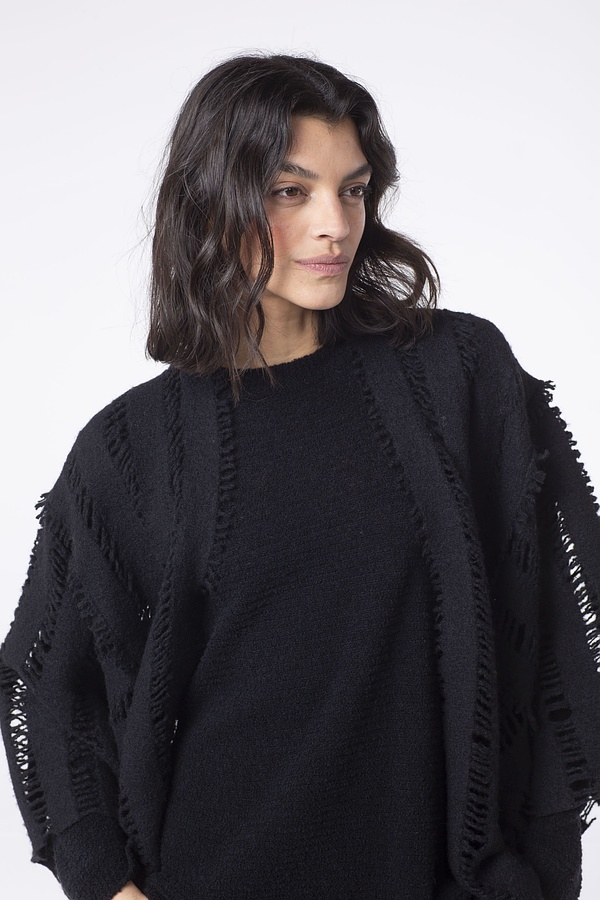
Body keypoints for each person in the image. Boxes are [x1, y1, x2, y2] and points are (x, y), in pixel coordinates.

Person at [1, 52, 599, 900]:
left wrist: (541, 866)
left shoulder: (459, 373)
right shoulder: (132, 446)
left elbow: (559, 639)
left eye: (352, 190)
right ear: (214, 202)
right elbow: (46, 682)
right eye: (291, 191)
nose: (335, 225)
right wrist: (106, 883)